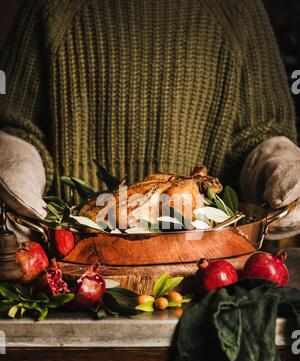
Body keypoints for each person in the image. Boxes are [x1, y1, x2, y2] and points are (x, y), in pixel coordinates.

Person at [0, 0, 300, 240]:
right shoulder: (49, 6)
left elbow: (263, 127)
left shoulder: (239, 9)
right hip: (73, 251)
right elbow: (15, 120)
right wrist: (16, 168)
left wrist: (276, 166)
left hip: (207, 255)